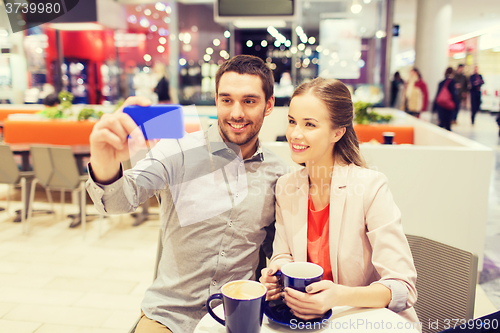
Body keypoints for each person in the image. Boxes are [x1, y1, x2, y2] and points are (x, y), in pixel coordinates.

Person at [86, 55, 289, 333]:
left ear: (269, 105)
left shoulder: (278, 173)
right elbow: (119, 201)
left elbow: (279, 250)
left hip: (236, 317)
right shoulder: (178, 149)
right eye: (226, 100)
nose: (236, 113)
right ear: (216, 100)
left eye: (249, 101)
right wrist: (106, 161)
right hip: (169, 316)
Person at [260, 77, 418, 324]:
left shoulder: (370, 187)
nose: (295, 134)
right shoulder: (286, 187)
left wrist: (339, 296)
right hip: (309, 322)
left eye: (310, 124)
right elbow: (283, 254)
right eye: (292, 122)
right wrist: (278, 273)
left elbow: (402, 287)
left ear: (338, 132)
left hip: (365, 323)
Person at [433, 67, 459, 131]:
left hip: (440, 106)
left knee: (441, 123)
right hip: (448, 107)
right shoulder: (452, 82)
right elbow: (453, 95)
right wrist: (456, 105)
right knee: (447, 125)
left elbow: (437, 95)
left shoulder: (441, 83)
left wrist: (434, 107)